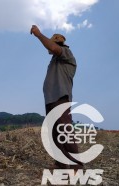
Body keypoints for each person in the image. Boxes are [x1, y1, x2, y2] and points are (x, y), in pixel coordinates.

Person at [30, 25, 83, 170]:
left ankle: (76, 167)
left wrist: (39, 34)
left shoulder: (66, 52)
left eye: (51, 43)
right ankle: (60, 164)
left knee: (65, 130)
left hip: (60, 97)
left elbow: (54, 48)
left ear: (57, 43)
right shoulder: (54, 60)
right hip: (51, 99)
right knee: (55, 133)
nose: (48, 48)